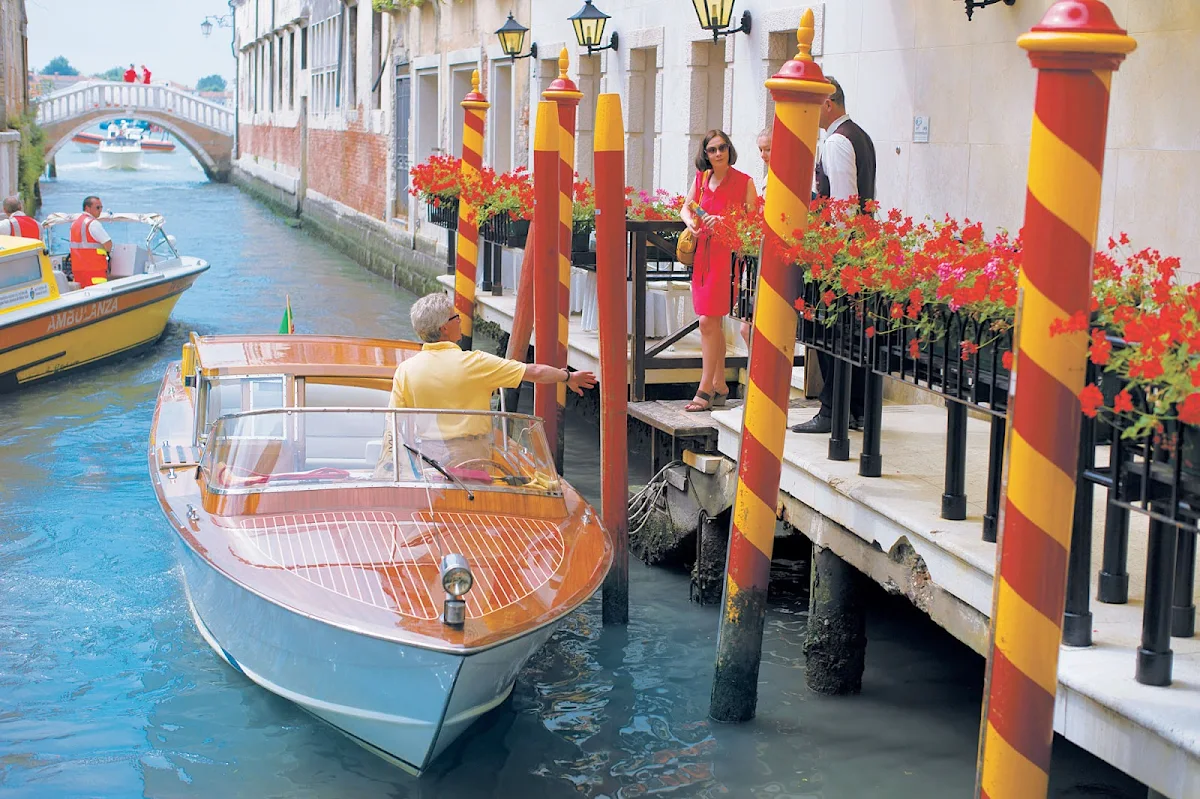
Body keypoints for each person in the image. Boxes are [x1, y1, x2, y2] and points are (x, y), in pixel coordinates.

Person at [376, 292, 596, 473]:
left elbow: (393, 421)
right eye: (455, 317)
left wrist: (393, 465)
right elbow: (535, 372)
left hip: (427, 458)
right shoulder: (475, 363)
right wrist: (568, 377)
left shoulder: (406, 370)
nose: (460, 320)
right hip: (471, 457)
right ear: (444, 328)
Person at [791, 76, 877, 435]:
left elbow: (843, 206)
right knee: (848, 332)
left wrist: (833, 255)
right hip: (857, 249)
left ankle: (832, 410)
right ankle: (853, 409)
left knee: (829, 333)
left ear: (828, 103)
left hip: (839, 253)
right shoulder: (860, 136)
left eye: (813, 105)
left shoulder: (838, 141)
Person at [679, 130, 757, 412]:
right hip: (703, 255)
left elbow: (753, 221)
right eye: (712, 149)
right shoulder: (701, 179)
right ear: (706, 154)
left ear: (729, 149)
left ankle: (705, 389)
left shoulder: (745, 181)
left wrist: (724, 221)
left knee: (707, 322)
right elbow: (686, 208)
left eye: (722, 147)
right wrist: (691, 223)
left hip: (728, 259)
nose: (718, 153)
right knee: (712, 324)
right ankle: (720, 384)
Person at [69, 196, 113, 287]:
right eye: (97, 207)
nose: (100, 210)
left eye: (101, 207)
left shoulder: (74, 224)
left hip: (78, 272)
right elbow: (108, 244)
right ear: (87, 208)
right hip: (94, 271)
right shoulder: (93, 224)